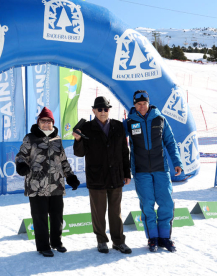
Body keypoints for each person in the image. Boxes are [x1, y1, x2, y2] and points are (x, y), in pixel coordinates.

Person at [15, 107, 80, 257]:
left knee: (57, 215)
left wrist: (70, 176)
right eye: (43, 121)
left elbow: (63, 160)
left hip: (56, 184)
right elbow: (21, 155)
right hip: (36, 185)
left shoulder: (57, 140)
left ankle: (56, 242)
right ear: (38, 122)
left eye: (48, 121)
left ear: (53, 123)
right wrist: (21, 165)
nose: (46, 124)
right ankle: (43, 246)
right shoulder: (30, 138)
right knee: (40, 216)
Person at [123, 90, 183, 253]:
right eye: (138, 104)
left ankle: (165, 237)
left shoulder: (160, 119)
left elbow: (170, 142)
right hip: (141, 171)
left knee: (166, 203)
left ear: (149, 103)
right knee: (147, 205)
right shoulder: (129, 122)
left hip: (161, 169)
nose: (142, 107)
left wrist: (177, 162)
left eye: (144, 104)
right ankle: (153, 238)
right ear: (134, 105)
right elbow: (119, 144)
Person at [73, 96, 132, 254]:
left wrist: (127, 173)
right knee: (98, 212)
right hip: (96, 177)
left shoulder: (118, 126)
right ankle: (101, 240)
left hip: (116, 176)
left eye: (106, 109)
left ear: (109, 110)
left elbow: (124, 152)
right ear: (93, 110)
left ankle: (119, 241)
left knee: (115, 212)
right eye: (99, 109)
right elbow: (79, 153)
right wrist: (78, 140)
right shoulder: (86, 128)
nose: (103, 112)